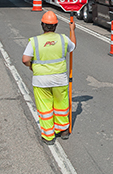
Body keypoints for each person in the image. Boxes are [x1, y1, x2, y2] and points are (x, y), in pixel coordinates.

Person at [22, 11, 76, 145]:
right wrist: (72, 30)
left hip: (41, 81)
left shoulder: (35, 41)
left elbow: (25, 59)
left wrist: (31, 65)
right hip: (60, 79)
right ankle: (63, 130)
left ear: (42, 25)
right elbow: (72, 47)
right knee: (61, 105)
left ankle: (48, 136)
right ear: (56, 26)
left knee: (45, 108)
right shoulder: (63, 38)